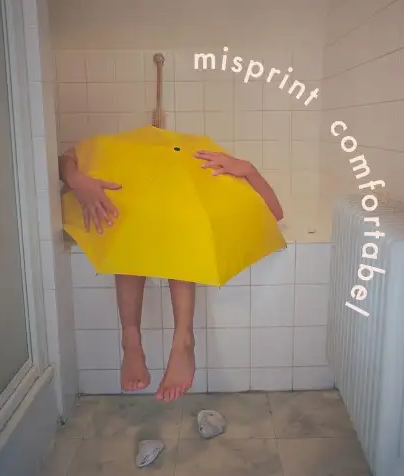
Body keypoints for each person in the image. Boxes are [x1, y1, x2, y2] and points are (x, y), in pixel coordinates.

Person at [59, 144, 283, 402]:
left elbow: (274, 213)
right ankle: (131, 339)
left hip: (183, 220)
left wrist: (248, 170)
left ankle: (182, 341)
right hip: (131, 218)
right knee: (132, 229)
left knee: (179, 230)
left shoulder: (204, 167)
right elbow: (65, 158)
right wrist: (76, 179)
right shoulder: (116, 158)